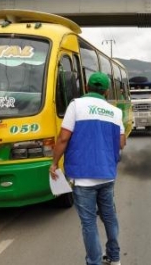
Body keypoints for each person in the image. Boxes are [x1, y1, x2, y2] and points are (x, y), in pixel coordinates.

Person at [49, 72, 126, 265]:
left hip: (82, 177)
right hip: (107, 175)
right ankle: (115, 258)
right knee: (109, 217)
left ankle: (94, 261)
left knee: (89, 223)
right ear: (107, 91)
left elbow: (64, 138)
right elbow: (122, 143)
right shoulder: (115, 112)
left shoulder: (76, 105)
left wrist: (54, 163)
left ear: (86, 86)